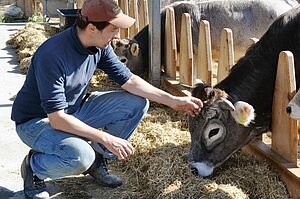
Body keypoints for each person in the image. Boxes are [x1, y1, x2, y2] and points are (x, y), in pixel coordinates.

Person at [11, 0, 203, 198]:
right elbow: (57, 119)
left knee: (137, 103)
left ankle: (96, 160)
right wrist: (104, 137)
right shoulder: (52, 55)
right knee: (79, 156)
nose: (118, 36)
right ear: (93, 28)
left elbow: (129, 81)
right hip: (36, 122)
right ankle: (35, 168)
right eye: (113, 29)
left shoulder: (100, 46)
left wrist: (173, 100)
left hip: (73, 110)